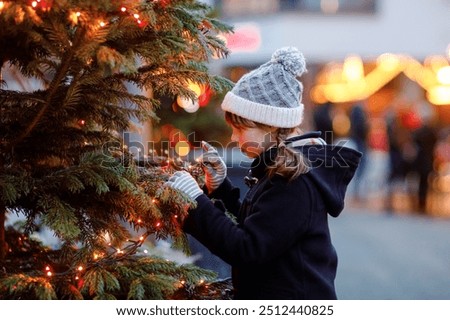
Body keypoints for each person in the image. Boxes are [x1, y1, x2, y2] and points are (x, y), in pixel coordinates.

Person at [165, 47, 361, 300]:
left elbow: (248, 248)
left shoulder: (295, 180)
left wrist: (196, 201)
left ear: (270, 126)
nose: (234, 139)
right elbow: (262, 226)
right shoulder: (280, 168)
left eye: (240, 129)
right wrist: (221, 189)